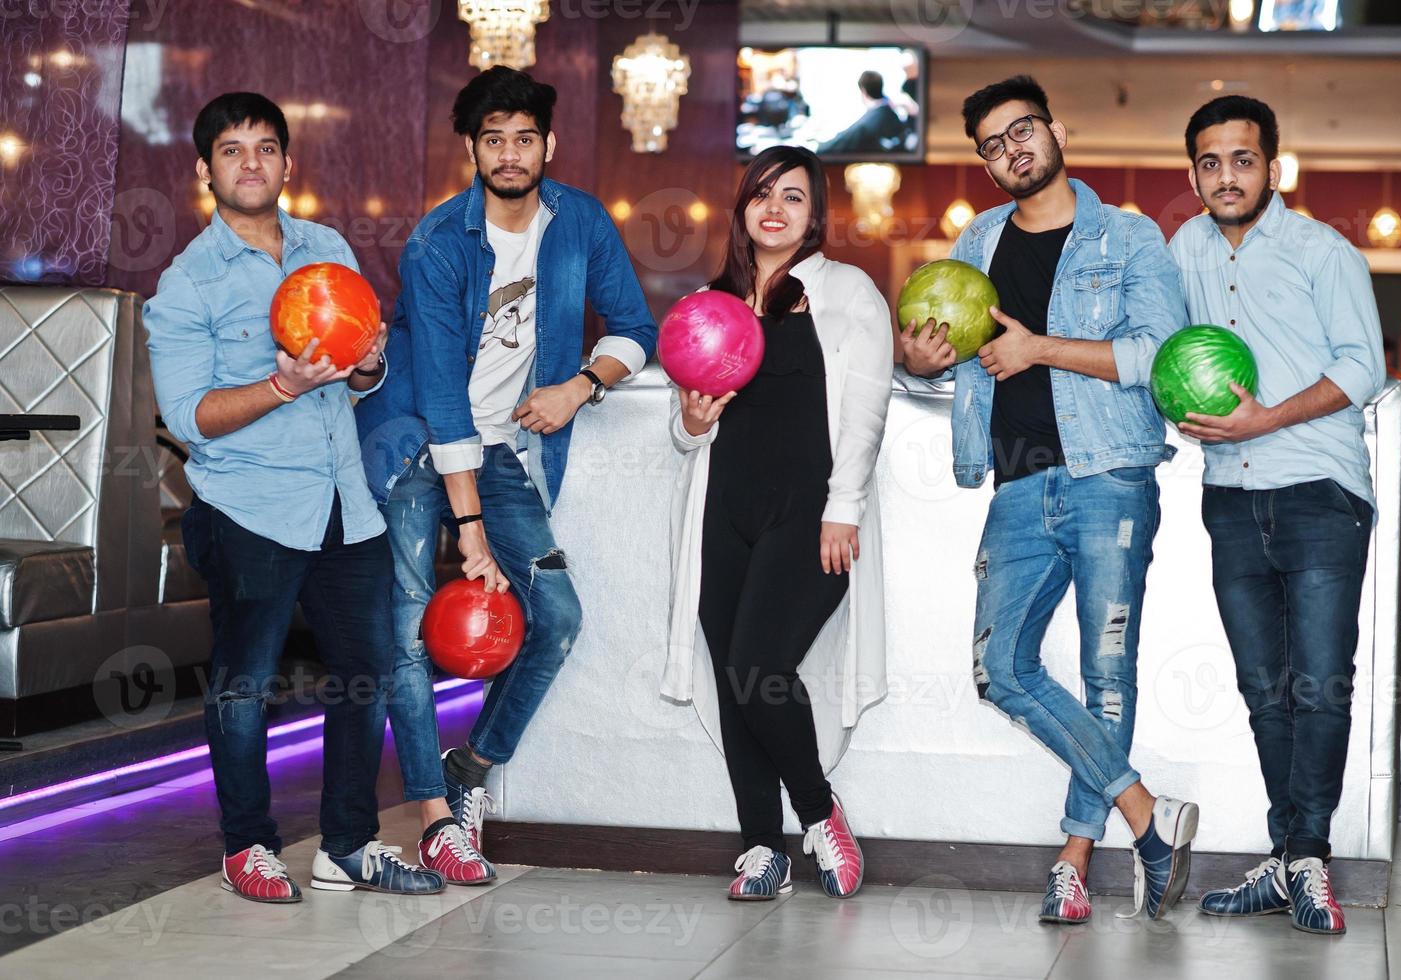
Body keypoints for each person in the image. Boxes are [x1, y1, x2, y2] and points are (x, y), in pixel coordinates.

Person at [900, 75, 1197, 924]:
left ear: (1056, 130)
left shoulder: (1130, 237)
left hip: (1108, 471)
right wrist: (921, 364)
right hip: (1017, 481)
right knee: (1000, 670)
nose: (1011, 150)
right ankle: (1148, 815)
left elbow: (1157, 354)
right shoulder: (974, 242)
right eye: (992, 144)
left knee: (1106, 670)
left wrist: (1040, 350)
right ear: (986, 165)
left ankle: (1074, 859)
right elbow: (948, 350)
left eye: (1021, 130)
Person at [354, 66, 657, 884]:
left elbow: (635, 328)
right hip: (415, 442)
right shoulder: (437, 241)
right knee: (410, 628)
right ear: (471, 149)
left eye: (525, 137)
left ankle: (468, 769)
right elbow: (444, 395)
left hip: (501, 452)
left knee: (555, 617)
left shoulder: (580, 221)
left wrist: (579, 386)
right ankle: (431, 818)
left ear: (547, 144)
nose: (510, 152)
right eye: (494, 139)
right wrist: (470, 530)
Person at [145, 92, 444, 902]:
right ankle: (246, 844)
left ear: (287, 162)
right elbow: (191, 419)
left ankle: (347, 844)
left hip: (346, 504)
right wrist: (280, 383)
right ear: (205, 170)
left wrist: (368, 367)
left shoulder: (327, 248)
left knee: (364, 674)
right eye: (233, 150)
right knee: (246, 684)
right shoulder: (186, 285)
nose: (252, 163)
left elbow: (350, 385)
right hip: (248, 511)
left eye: (266, 147)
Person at [1170, 95, 1385, 937]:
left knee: (1320, 684)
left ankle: (1309, 859)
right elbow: (1165, 348)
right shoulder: (1183, 248)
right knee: (1264, 690)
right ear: (1193, 172)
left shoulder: (1320, 250)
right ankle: (1287, 855)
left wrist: (1267, 418)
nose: (1226, 176)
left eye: (1242, 159)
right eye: (1210, 162)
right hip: (1228, 493)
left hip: (1319, 491)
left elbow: (1360, 366)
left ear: (1273, 165)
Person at [662, 146, 892, 901]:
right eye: (762, 192)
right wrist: (692, 422)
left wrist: (843, 508)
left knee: (759, 666)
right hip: (721, 512)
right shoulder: (713, 300)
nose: (775, 207)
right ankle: (762, 847)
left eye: (793, 197)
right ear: (742, 207)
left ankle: (820, 814)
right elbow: (684, 430)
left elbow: (866, 409)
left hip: (808, 512)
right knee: (735, 684)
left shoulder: (846, 290)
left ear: (813, 214)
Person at [816, 71, 905, 155]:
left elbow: (842, 141)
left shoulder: (867, 124)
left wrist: (818, 147)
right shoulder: (889, 112)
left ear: (863, 91)